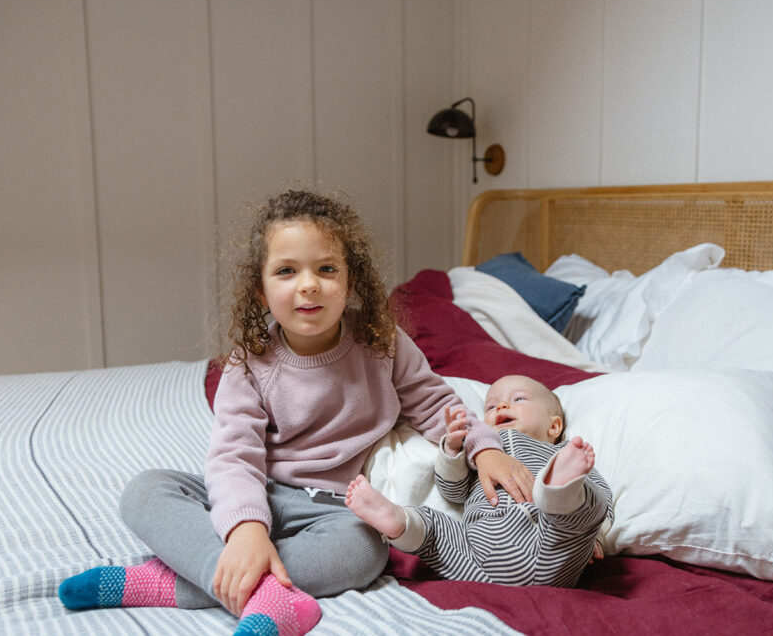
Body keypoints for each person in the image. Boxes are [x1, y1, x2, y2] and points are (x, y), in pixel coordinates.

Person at [58, 188, 533, 636]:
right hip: (257, 490)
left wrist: (484, 449)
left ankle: (167, 584)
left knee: (364, 551)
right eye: (287, 272)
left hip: (329, 510)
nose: (308, 286)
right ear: (262, 292)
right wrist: (246, 531)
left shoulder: (382, 343)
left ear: (351, 283)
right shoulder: (250, 362)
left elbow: (436, 404)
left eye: (326, 269)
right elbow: (233, 457)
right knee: (146, 491)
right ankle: (260, 588)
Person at [345, 374, 613, 588]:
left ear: (553, 427)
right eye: (491, 406)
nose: (502, 406)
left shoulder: (561, 455)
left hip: (550, 541)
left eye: (519, 399)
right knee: (435, 530)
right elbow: (453, 491)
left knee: (583, 503)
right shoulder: (480, 454)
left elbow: (602, 496)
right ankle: (399, 522)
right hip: (477, 554)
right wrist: (453, 450)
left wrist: (593, 535)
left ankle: (558, 491)